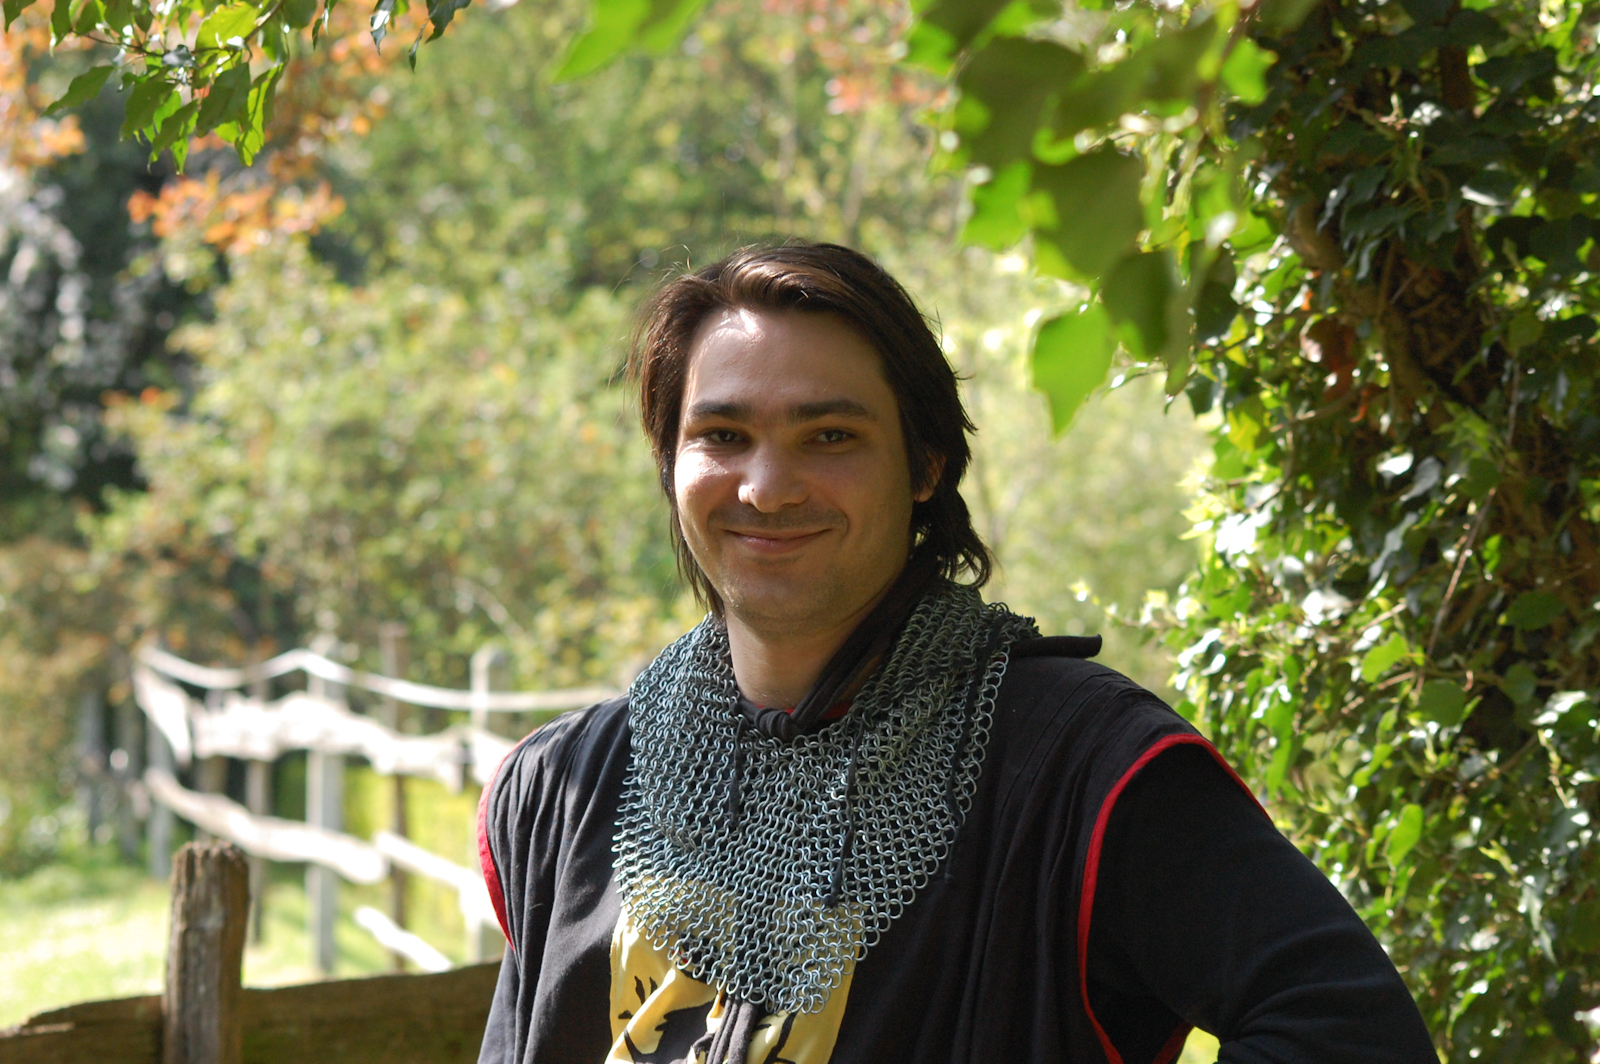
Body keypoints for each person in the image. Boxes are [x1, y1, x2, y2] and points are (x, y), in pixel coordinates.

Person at [475, 243, 1436, 1064]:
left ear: (927, 465)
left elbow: (1351, 1034)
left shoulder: (1083, 769)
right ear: (670, 462)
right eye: (723, 434)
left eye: (831, 436)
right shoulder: (561, 790)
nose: (767, 488)